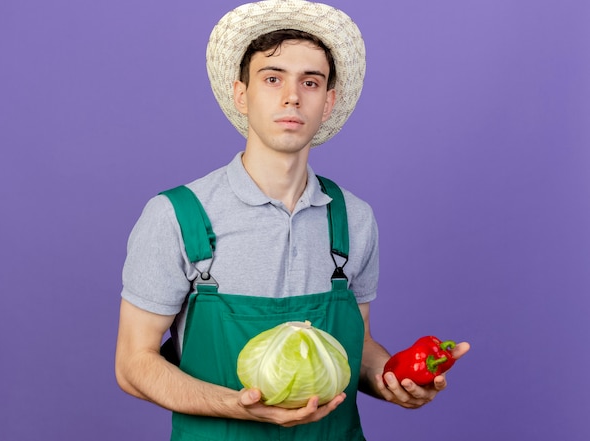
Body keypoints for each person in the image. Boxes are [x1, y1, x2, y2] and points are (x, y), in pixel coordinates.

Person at [115, 1, 470, 439]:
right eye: (272, 78)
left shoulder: (353, 218)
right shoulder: (177, 215)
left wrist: (392, 379)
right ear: (241, 94)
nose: (292, 96)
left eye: (311, 81)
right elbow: (133, 365)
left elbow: (354, 348)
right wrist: (239, 407)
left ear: (328, 101)